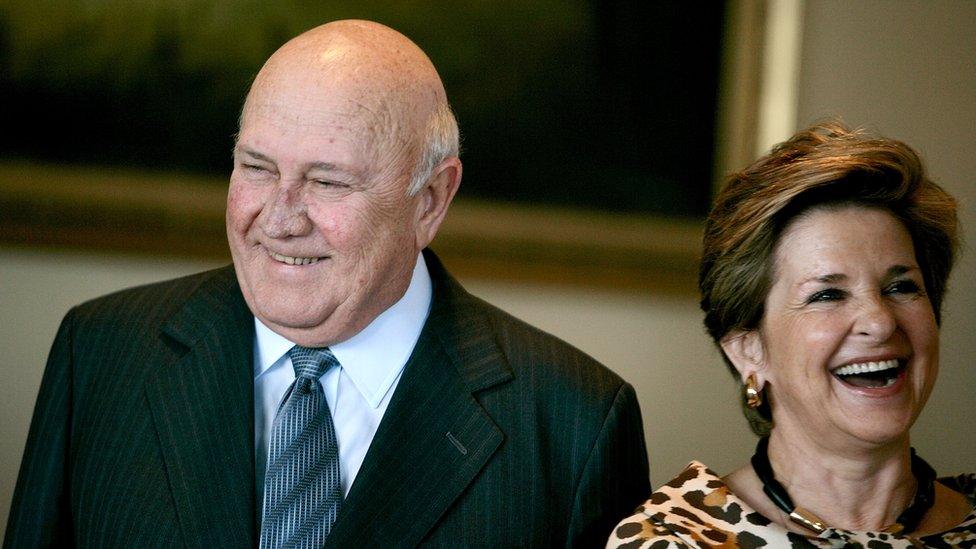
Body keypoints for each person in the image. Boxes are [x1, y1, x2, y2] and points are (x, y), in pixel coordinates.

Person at [5, 20, 650, 547]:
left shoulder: (575, 422)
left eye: (328, 182)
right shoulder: (100, 352)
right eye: (256, 168)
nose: (280, 219)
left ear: (429, 200)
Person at [609, 122, 975, 547]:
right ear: (748, 349)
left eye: (901, 287)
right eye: (827, 294)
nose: (880, 321)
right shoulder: (676, 540)